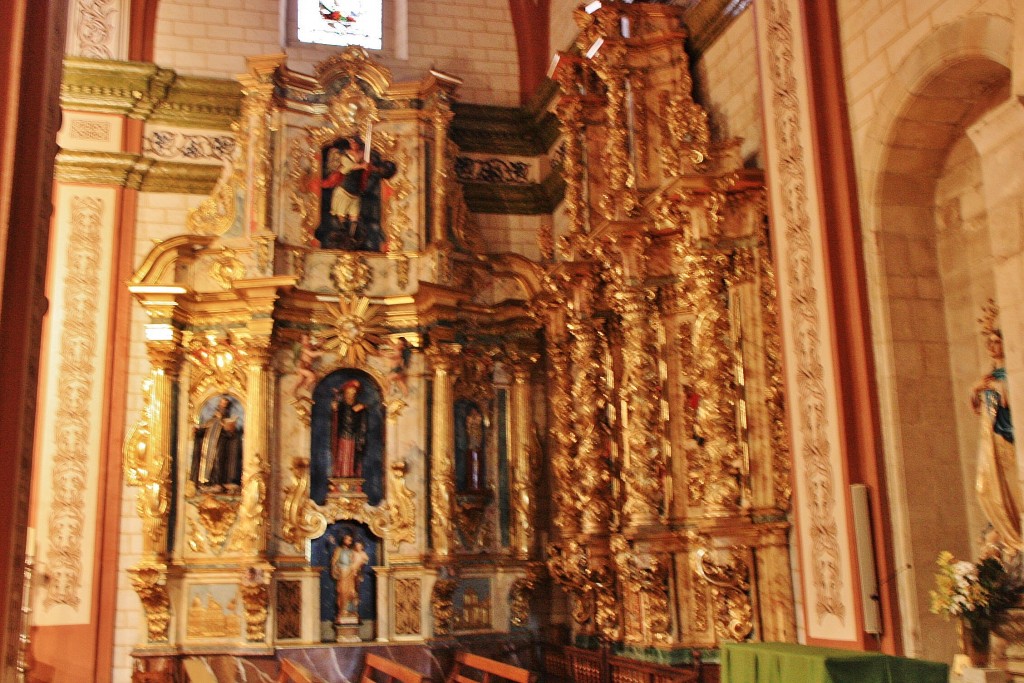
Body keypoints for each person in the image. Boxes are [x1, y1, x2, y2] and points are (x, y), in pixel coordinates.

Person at [973, 313, 1021, 549]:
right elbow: (976, 406)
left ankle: (1015, 534)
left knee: (1011, 487)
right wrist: (976, 389)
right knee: (984, 489)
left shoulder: (1010, 374)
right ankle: (1005, 533)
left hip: (1006, 436)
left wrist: (994, 386)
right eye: (988, 342)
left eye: (995, 341)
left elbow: (1011, 401)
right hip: (989, 440)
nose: (991, 346)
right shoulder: (988, 376)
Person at [190, 395, 243, 491]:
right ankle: (207, 483)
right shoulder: (211, 421)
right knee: (207, 465)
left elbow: (231, 435)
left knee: (218, 463)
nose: (221, 408)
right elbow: (203, 430)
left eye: (224, 405)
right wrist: (196, 431)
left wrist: (223, 423)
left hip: (220, 446)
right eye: (221, 404)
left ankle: (217, 483)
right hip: (208, 447)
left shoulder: (228, 421)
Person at [331, 380, 366, 478]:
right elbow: (336, 418)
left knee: (352, 457)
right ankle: (340, 474)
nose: (351, 395)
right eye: (349, 392)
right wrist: (335, 409)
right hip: (343, 435)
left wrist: (363, 407)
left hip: (354, 436)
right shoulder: (341, 405)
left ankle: (351, 474)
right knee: (342, 454)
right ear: (345, 393)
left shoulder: (359, 406)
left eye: (353, 392)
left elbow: (362, 423)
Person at [331, 534, 370, 621]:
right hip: (342, 573)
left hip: (351, 573)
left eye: (350, 540)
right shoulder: (338, 550)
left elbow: (357, 562)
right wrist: (335, 570)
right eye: (347, 539)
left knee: (352, 592)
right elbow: (334, 561)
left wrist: (358, 570)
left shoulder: (352, 551)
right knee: (342, 591)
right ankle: (342, 611)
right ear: (343, 540)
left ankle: (351, 611)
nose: (348, 541)